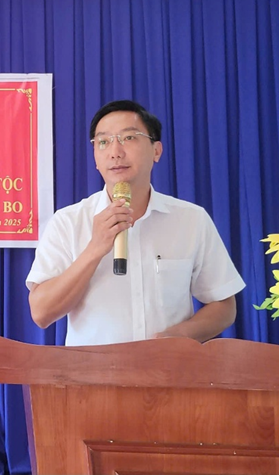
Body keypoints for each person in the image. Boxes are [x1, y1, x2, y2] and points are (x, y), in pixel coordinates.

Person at [27, 100, 245, 346]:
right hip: (91, 370)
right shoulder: (68, 222)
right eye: (103, 142)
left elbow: (224, 305)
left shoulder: (191, 219)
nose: (115, 152)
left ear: (156, 151)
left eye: (128, 138)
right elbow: (41, 313)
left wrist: (181, 336)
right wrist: (94, 249)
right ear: (96, 158)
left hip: (167, 367)